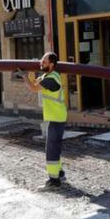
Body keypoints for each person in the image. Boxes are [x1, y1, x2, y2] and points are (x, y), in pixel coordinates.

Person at [25, 52, 68, 188]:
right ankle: (60, 173)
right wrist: (30, 72)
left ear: (51, 64)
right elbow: (34, 83)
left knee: (51, 149)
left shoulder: (52, 79)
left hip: (56, 119)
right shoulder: (46, 76)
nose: (41, 63)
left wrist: (24, 76)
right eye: (40, 61)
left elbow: (33, 88)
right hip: (55, 117)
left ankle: (54, 181)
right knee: (54, 147)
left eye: (43, 62)